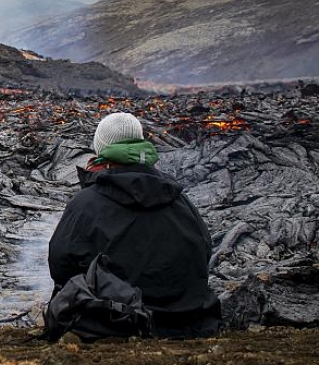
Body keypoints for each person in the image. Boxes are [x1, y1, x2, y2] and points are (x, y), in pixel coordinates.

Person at [48, 112, 222, 339]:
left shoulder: (86, 204)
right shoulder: (178, 197)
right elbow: (204, 249)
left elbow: (60, 264)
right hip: (190, 320)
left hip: (120, 321)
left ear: (100, 149)